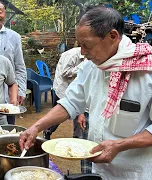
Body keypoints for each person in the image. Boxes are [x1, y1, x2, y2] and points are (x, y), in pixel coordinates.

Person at [19, 6, 152, 179]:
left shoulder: (146, 72)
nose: (82, 52)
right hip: (98, 170)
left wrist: (120, 145)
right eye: (80, 45)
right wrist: (36, 127)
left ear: (112, 36)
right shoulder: (91, 66)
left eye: (87, 45)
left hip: (134, 173)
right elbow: (71, 102)